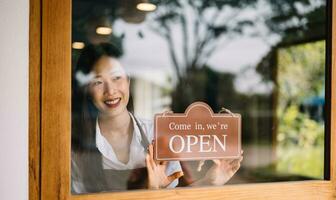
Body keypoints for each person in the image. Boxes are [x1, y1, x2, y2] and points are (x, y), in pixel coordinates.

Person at [71, 42, 243, 194]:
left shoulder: (156, 132)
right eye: (98, 82)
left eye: (116, 78)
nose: (110, 90)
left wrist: (210, 181)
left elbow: (175, 196)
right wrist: (150, 192)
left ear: (128, 81)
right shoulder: (78, 144)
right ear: (88, 89)